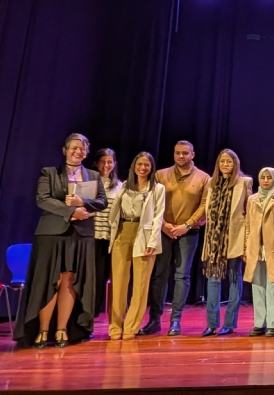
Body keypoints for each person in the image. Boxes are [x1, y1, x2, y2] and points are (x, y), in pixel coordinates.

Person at [13, 133, 107, 348]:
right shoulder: (50, 172)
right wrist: (71, 212)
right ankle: (43, 330)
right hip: (51, 234)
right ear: (65, 150)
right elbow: (42, 199)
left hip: (81, 235)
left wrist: (82, 202)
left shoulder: (92, 174)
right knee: (50, 282)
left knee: (69, 281)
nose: (78, 151)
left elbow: (101, 201)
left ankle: (62, 329)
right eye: (74, 148)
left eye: (82, 148)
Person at [140, 140, 209, 336]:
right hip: (163, 230)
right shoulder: (161, 174)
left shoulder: (204, 178)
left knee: (182, 275)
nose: (181, 156)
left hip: (189, 231)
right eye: (177, 153)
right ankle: (154, 320)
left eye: (185, 153)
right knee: (159, 275)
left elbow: (204, 205)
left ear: (192, 155)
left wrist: (186, 226)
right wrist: (164, 224)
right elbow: (151, 202)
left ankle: (175, 321)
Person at [108, 152, 165, 340]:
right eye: (140, 164)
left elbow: (158, 216)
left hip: (144, 235)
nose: (143, 168)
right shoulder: (124, 186)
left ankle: (131, 326)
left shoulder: (157, 189)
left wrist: (153, 241)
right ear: (134, 166)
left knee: (140, 284)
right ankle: (115, 326)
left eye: (147, 165)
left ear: (151, 168)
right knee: (118, 283)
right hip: (123, 231)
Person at [201, 149, 252, 337]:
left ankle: (229, 323)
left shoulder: (244, 183)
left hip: (234, 239)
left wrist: (246, 244)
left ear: (235, 163)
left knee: (233, 279)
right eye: (222, 161)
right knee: (213, 280)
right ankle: (211, 324)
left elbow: (248, 215)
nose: (225, 164)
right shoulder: (211, 183)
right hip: (214, 242)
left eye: (229, 161)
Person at [245, 167, 274, 337]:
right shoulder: (252, 199)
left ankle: (272, 324)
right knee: (257, 286)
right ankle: (259, 323)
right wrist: (246, 247)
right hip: (255, 248)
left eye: (269, 178)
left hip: (273, 248)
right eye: (262, 177)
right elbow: (247, 225)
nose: (265, 180)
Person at [92, 148, 123, 318]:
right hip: (89, 238)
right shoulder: (88, 182)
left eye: (109, 162)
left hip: (107, 239)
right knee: (85, 280)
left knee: (99, 280)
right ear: (96, 163)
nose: (106, 165)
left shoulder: (119, 186)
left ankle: (91, 317)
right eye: (102, 161)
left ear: (114, 164)